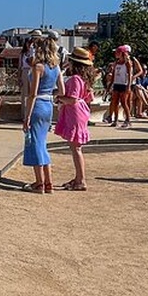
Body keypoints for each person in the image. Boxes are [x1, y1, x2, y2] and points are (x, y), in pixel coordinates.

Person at [22, 37, 65, 193]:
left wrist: (27, 116)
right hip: (48, 104)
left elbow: (32, 94)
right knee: (42, 143)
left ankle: (39, 182)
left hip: (38, 104)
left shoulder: (38, 67)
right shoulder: (56, 67)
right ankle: (48, 182)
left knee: (35, 143)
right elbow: (62, 91)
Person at [54, 47, 95, 191]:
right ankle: (78, 178)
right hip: (81, 111)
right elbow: (90, 98)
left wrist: (59, 98)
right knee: (76, 147)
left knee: (76, 148)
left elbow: (72, 99)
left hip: (74, 113)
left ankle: (81, 180)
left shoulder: (75, 79)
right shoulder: (84, 79)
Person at [106, 45, 133, 128]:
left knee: (124, 103)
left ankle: (128, 120)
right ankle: (115, 120)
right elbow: (114, 75)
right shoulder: (116, 63)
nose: (116, 54)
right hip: (116, 84)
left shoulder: (127, 63)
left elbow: (130, 75)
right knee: (115, 102)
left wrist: (128, 85)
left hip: (124, 84)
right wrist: (110, 85)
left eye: (117, 52)